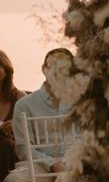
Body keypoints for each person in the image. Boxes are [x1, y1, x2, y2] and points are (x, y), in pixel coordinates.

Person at [3, 48, 74, 182]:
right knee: (14, 179)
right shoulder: (24, 105)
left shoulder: (81, 103)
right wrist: (52, 164)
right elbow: (23, 148)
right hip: (39, 165)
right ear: (44, 69)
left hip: (76, 164)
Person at [0, 51, 25, 180]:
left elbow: (33, 129)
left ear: (6, 69)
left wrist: (16, 127)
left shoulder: (20, 98)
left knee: (6, 144)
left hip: (14, 150)